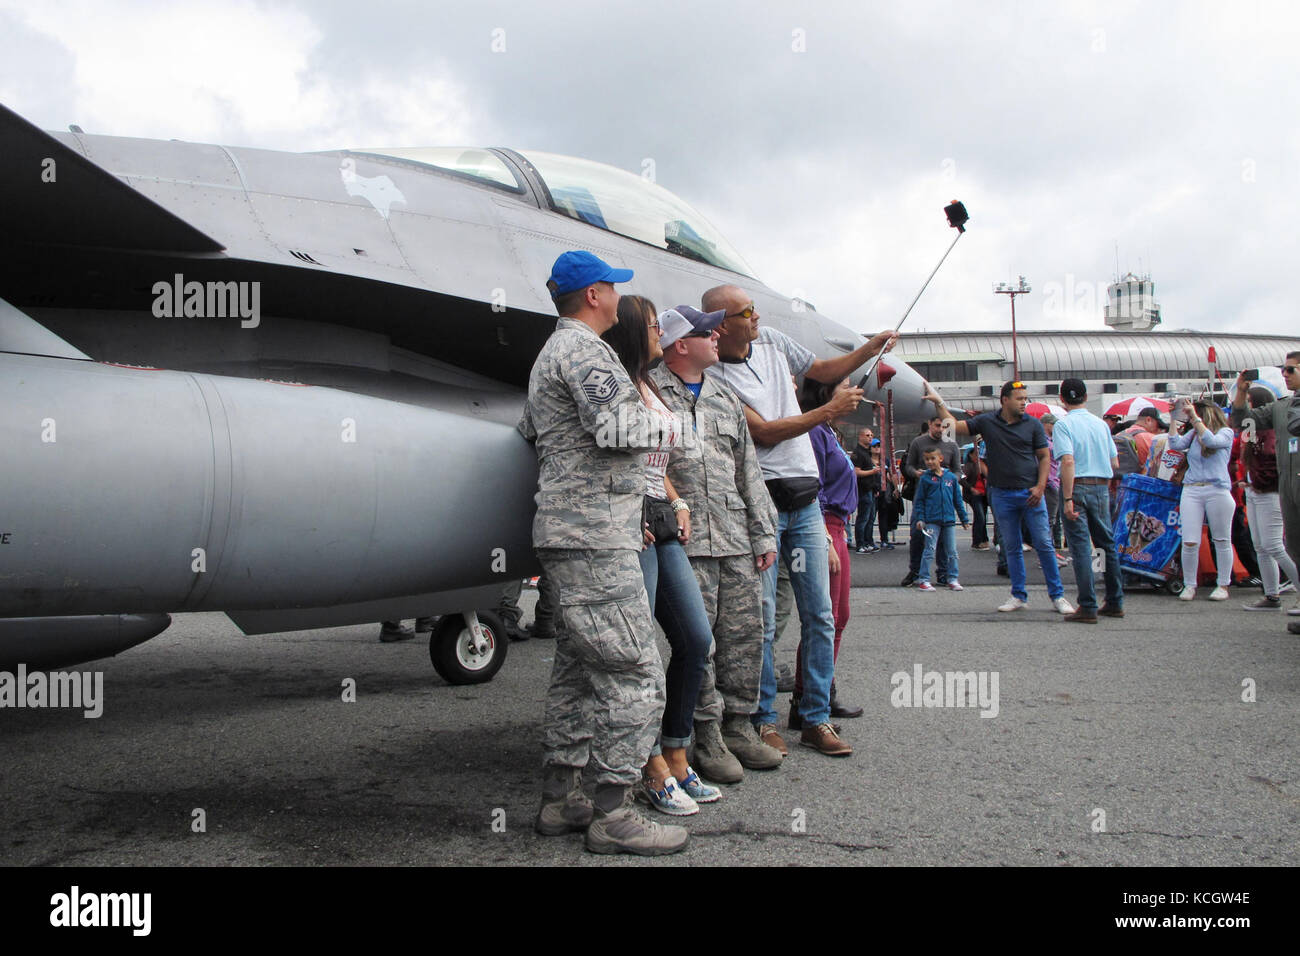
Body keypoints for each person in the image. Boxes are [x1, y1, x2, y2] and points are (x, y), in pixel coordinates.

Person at [519, 250, 685, 855]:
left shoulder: (550, 355)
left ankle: (562, 798)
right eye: (613, 286)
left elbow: (529, 432)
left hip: (570, 535)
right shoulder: (586, 351)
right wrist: (672, 426)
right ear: (593, 294)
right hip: (595, 537)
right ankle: (614, 813)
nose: (620, 296)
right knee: (637, 673)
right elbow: (617, 428)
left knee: (577, 669)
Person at [704, 283, 897, 757]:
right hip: (764, 504)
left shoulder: (771, 341)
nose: (756, 316)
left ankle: (814, 718)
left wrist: (870, 347)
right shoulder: (715, 378)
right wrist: (827, 411)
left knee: (821, 616)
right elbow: (765, 433)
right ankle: (764, 719)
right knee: (765, 621)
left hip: (806, 502)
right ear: (721, 324)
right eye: (746, 311)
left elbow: (824, 369)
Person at [650, 306, 782, 784]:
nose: (718, 336)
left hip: (734, 538)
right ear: (681, 344)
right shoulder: (650, 392)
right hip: (685, 542)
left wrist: (763, 532)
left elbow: (749, 470)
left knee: (746, 635)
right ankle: (704, 733)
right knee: (698, 644)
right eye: (708, 332)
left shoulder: (725, 395)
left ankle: (740, 725)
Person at [601, 296, 721, 814]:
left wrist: (676, 498)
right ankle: (650, 765)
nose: (659, 332)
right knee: (642, 652)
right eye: (652, 325)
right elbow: (600, 456)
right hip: (633, 524)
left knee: (696, 639)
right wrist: (633, 509)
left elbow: (655, 459)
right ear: (634, 331)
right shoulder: (614, 384)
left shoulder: (646, 383)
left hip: (661, 518)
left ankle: (676, 749)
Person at [928, 381, 1074, 614]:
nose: (1023, 402)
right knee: (1012, 546)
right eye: (1019, 398)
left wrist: (1040, 486)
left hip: (1030, 494)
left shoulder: (1034, 425)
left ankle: (1057, 596)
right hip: (1002, 494)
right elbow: (952, 428)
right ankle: (1018, 595)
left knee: (1045, 545)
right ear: (1004, 400)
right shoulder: (987, 421)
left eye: (1025, 398)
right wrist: (939, 403)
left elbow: (1045, 457)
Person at [789, 377, 865, 728]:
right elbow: (812, 486)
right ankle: (808, 697)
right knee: (825, 617)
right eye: (845, 385)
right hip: (825, 526)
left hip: (838, 526)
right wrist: (823, 536)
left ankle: (821, 688)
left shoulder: (828, 431)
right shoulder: (816, 432)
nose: (853, 391)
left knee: (838, 616)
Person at [1230, 354, 1300, 633]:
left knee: (1273, 545)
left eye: (1291, 369)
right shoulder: (1281, 407)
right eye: (1284, 369)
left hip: (1272, 488)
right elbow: (1242, 419)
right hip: (1287, 488)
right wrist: (1241, 391)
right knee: (1293, 547)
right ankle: (1273, 594)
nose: (1285, 374)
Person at [1051, 379, 1124, 623]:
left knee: (1081, 547)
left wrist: (1069, 497)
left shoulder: (1064, 425)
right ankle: (1114, 600)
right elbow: (1115, 462)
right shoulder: (1101, 425)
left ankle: (1088, 604)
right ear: (1086, 396)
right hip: (1101, 486)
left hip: (1077, 486)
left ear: (1062, 399)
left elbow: (1068, 461)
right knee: (1105, 544)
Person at [1167, 399, 1235, 601]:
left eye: (1195, 415)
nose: (1191, 419)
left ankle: (1223, 584)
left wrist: (1195, 419)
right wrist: (1173, 418)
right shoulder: (1194, 434)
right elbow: (1175, 444)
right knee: (1189, 540)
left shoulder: (1225, 432)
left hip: (1217, 489)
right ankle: (1189, 584)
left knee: (1222, 539)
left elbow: (1212, 442)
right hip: (1192, 489)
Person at [899, 415, 959, 587]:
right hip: (923, 497)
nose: (940, 429)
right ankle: (915, 571)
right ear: (930, 425)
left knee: (943, 539)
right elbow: (908, 466)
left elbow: (957, 470)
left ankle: (943, 572)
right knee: (918, 535)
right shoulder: (918, 443)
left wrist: (948, 478)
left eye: (943, 426)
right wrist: (916, 473)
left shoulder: (952, 445)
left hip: (943, 498)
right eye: (937, 426)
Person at [912, 447, 968, 591]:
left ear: (940, 459)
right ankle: (924, 579)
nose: (930, 462)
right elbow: (920, 500)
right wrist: (920, 518)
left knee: (952, 551)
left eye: (932, 458)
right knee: (929, 549)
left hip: (948, 520)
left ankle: (953, 578)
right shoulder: (925, 479)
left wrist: (964, 518)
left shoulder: (950, 478)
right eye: (927, 459)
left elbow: (957, 499)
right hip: (932, 520)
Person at [851, 428, 880, 552]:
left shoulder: (867, 452)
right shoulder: (858, 453)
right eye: (867, 435)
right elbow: (856, 472)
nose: (870, 437)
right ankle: (860, 544)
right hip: (863, 489)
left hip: (870, 489)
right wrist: (872, 471)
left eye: (871, 435)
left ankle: (868, 541)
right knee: (863, 517)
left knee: (870, 518)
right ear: (860, 437)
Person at [962, 441, 990, 549]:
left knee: (982, 517)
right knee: (980, 517)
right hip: (974, 495)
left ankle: (983, 539)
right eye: (975, 453)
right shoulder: (969, 466)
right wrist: (971, 488)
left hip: (983, 494)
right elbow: (962, 479)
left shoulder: (982, 465)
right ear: (970, 455)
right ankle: (977, 541)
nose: (978, 454)